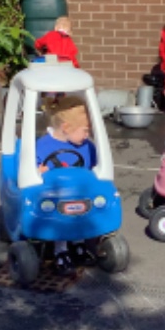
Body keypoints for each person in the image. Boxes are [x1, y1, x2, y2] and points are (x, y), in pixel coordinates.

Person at [36, 95, 98, 273]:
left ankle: (78, 243)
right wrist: (39, 171)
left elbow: (95, 166)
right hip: (54, 194)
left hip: (80, 191)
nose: (87, 135)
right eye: (84, 131)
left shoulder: (87, 146)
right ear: (66, 127)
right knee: (61, 211)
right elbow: (31, 169)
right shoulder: (42, 145)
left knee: (85, 207)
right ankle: (61, 249)